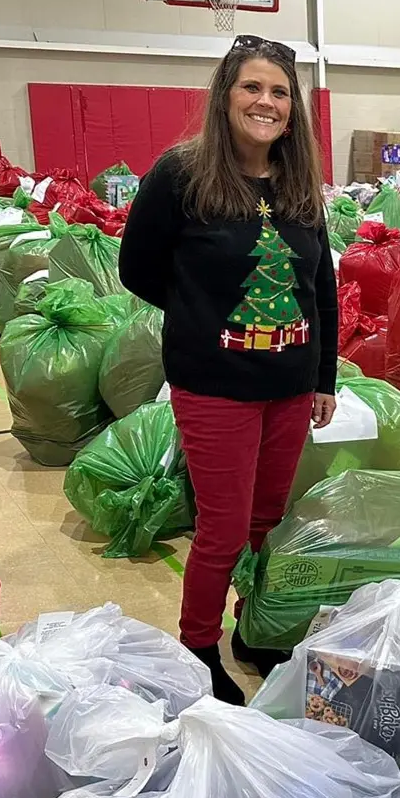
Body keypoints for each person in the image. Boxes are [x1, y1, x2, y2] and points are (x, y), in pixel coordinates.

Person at [120, 35, 337, 705]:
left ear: (292, 109)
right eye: (252, 88)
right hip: (216, 386)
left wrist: (323, 375)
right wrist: (202, 316)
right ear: (227, 96)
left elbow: (318, 286)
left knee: (266, 518)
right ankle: (196, 646)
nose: (265, 102)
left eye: (279, 92)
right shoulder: (181, 174)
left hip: (290, 385)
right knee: (220, 527)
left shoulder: (298, 180)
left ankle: (254, 626)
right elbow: (138, 266)